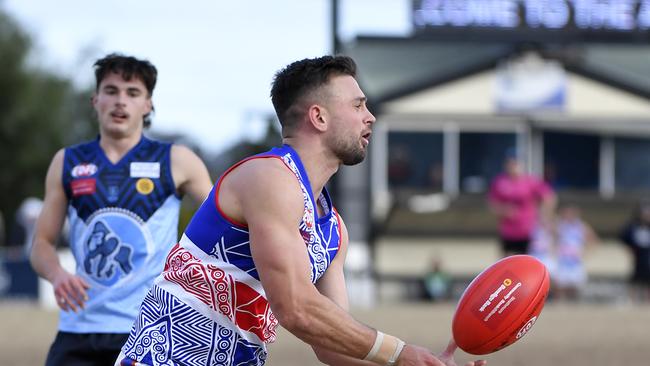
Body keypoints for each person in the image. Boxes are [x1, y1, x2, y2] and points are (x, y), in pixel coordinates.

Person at [117, 56, 486, 366]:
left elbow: (332, 348)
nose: (370, 116)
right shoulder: (269, 177)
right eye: (358, 105)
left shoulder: (334, 230)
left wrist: (425, 363)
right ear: (319, 117)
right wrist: (401, 353)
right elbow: (295, 307)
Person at [30, 53, 213, 366]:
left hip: (150, 330)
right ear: (95, 99)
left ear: (148, 104)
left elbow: (226, 222)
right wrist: (57, 274)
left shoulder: (176, 160)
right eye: (111, 91)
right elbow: (41, 244)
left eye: (132, 93)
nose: (120, 102)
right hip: (79, 330)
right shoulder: (68, 161)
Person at [488, 151, 556, 257]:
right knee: (507, 262)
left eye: (515, 163)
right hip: (508, 231)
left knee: (528, 261)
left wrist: (544, 216)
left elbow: (549, 197)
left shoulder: (530, 181)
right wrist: (503, 211)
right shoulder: (500, 182)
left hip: (528, 230)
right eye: (510, 163)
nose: (513, 166)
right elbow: (492, 204)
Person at [552, 204, 598, 301]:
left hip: (575, 260)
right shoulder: (559, 225)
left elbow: (593, 239)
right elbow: (550, 238)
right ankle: (559, 303)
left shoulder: (581, 226)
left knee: (574, 285)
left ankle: (572, 304)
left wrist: (586, 253)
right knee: (560, 284)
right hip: (563, 260)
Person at [619, 202, 650, 303]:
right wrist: (629, 249)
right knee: (635, 278)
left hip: (648, 255)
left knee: (648, 279)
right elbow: (624, 237)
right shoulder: (633, 226)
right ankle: (632, 300)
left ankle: (647, 300)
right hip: (638, 255)